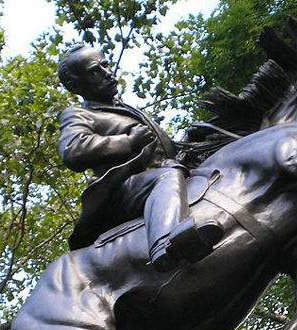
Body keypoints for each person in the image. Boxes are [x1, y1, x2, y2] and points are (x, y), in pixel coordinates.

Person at [57, 45, 222, 272]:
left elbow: (159, 154)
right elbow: (73, 149)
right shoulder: (79, 114)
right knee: (167, 176)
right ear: (77, 85)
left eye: (105, 64)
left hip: (158, 180)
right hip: (123, 193)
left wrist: (189, 142)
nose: (107, 72)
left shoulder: (123, 108)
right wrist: (128, 141)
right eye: (95, 70)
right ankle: (165, 245)